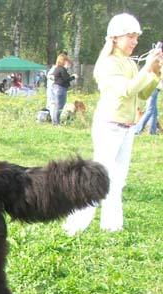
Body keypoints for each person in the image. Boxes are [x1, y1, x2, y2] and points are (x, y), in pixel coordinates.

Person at [63, 13, 162, 235]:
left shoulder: (128, 62)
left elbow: (142, 94)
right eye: (130, 37)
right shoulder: (108, 63)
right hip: (109, 126)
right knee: (99, 177)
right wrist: (147, 68)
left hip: (126, 127)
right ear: (115, 38)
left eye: (136, 37)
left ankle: (112, 226)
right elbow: (126, 90)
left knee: (118, 180)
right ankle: (75, 225)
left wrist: (154, 73)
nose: (135, 42)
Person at [51, 54, 75, 125]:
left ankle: (55, 122)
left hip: (56, 88)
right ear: (63, 61)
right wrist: (73, 77)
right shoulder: (62, 69)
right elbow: (66, 79)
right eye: (66, 61)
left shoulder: (57, 68)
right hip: (60, 89)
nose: (68, 63)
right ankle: (56, 123)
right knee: (60, 106)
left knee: (56, 106)